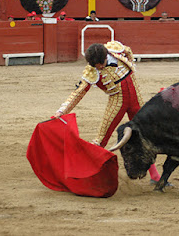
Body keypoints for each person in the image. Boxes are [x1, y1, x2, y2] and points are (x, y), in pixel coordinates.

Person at [54, 41, 162, 184]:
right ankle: (83, 174)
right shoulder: (92, 71)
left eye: (100, 63)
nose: (99, 67)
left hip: (136, 97)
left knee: (145, 136)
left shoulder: (115, 50)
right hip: (117, 102)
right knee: (100, 139)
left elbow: (128, 51)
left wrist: (130, 63)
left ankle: (155, 177)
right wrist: (61, 111)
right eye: (96, 66)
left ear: (106, 56)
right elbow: (78, 93)